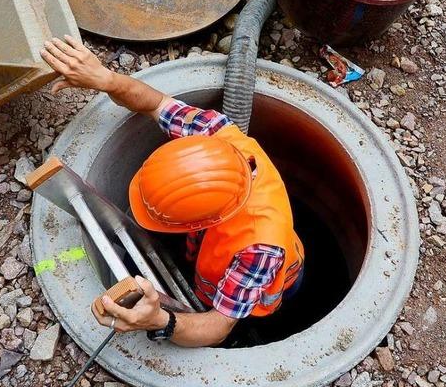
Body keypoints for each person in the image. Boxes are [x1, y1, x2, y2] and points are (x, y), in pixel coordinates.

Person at [40, 36, 305, 348]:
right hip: (213, 259)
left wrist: (161, 321)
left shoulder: (259, 250)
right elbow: (154, 103)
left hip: (269, 286)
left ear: (200, 224)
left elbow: (218, 327)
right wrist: (106, 79)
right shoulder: (214, 136)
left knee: (248, 325)